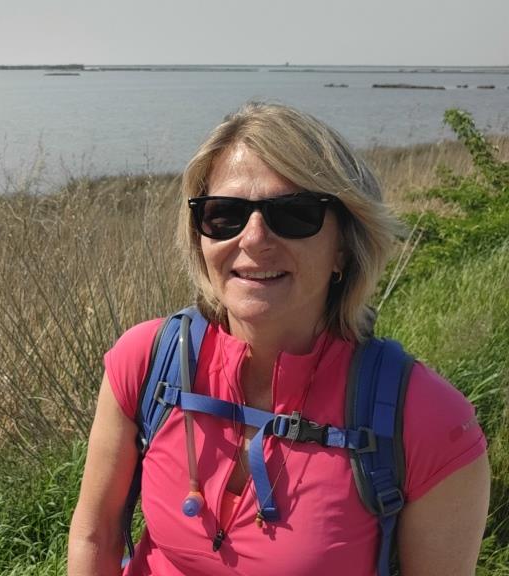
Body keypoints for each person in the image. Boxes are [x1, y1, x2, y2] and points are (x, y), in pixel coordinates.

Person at [67, 102, 489, 575]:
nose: (253, 238)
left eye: (294, 214)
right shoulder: (149, 361)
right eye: (224, 214)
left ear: (344, 247)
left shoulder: (428, 420)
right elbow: (95, 534)